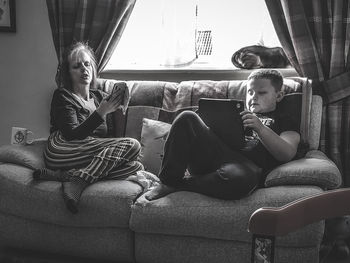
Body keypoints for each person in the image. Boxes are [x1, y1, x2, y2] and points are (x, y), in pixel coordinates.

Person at [145, 69, 300, 201]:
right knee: (187, 117)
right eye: (250, 92)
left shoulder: (284, 120)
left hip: (244, 168)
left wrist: (260, 128)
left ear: (279, 96)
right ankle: (168, 182)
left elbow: (287, 153)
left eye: (262, 93)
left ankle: (180, 185)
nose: (254, 97)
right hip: (214, 155)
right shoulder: (234, 113)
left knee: (239, 179)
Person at [34, 42, 143, 213]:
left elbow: (108, 140)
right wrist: (101, 113)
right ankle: (79, 181)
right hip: (62, 148)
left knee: (135, 167)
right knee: (133, 145)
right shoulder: (63, 96)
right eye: (77, 66)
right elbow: (72, 134)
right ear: (68, 73)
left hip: (85, 154)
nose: (84, 69)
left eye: (87, 64)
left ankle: (67, 176)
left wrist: (119, 101)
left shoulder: (100, 97)